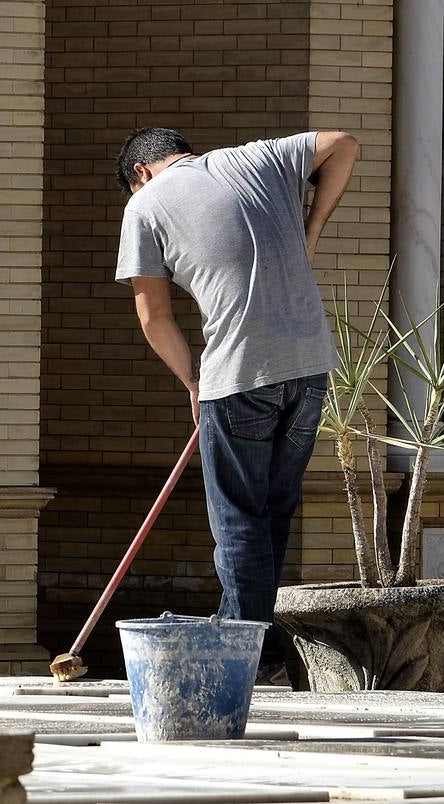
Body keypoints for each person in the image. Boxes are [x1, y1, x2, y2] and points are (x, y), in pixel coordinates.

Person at [113, 126, 359, 684]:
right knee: (272, 512)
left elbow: (153, 318)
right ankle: (261, 641)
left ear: (139, 174)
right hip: (310, 367)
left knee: (238, 519)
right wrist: (311, 228)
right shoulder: (259, 158)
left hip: (240, 374)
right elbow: (343, 143)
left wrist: (192, 382)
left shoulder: (145, 205)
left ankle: (250, 659)